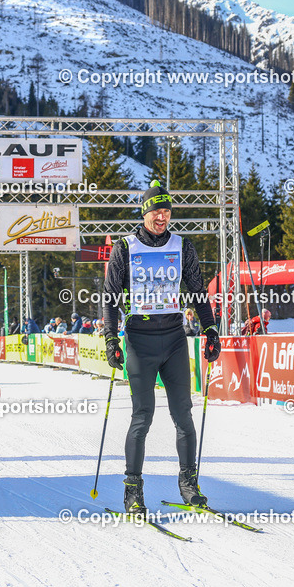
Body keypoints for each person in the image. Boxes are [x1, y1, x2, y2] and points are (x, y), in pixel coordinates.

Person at [103, 180, 221, 515]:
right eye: (157, 210)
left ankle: (188, 484)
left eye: (167, 211)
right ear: (145, 212)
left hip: (173, 339)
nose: (162, 216)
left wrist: (210, 329)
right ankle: (133, 490)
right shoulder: (125, 248)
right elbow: (111, 299)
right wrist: (111, 338)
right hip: (139, 340)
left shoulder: (183, 246)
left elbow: (198, 291)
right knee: (143, 416)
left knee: (183, 414)